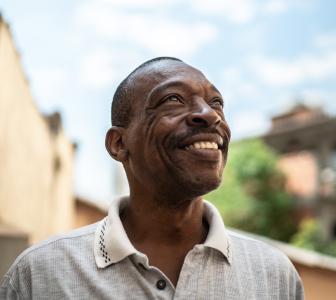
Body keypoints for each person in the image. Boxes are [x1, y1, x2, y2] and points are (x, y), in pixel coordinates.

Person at [0, 57, 304, 299]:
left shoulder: (274, 276)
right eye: (172, 99)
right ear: (119, 144)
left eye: (216, 103)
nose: (211, 116)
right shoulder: (41, 274)